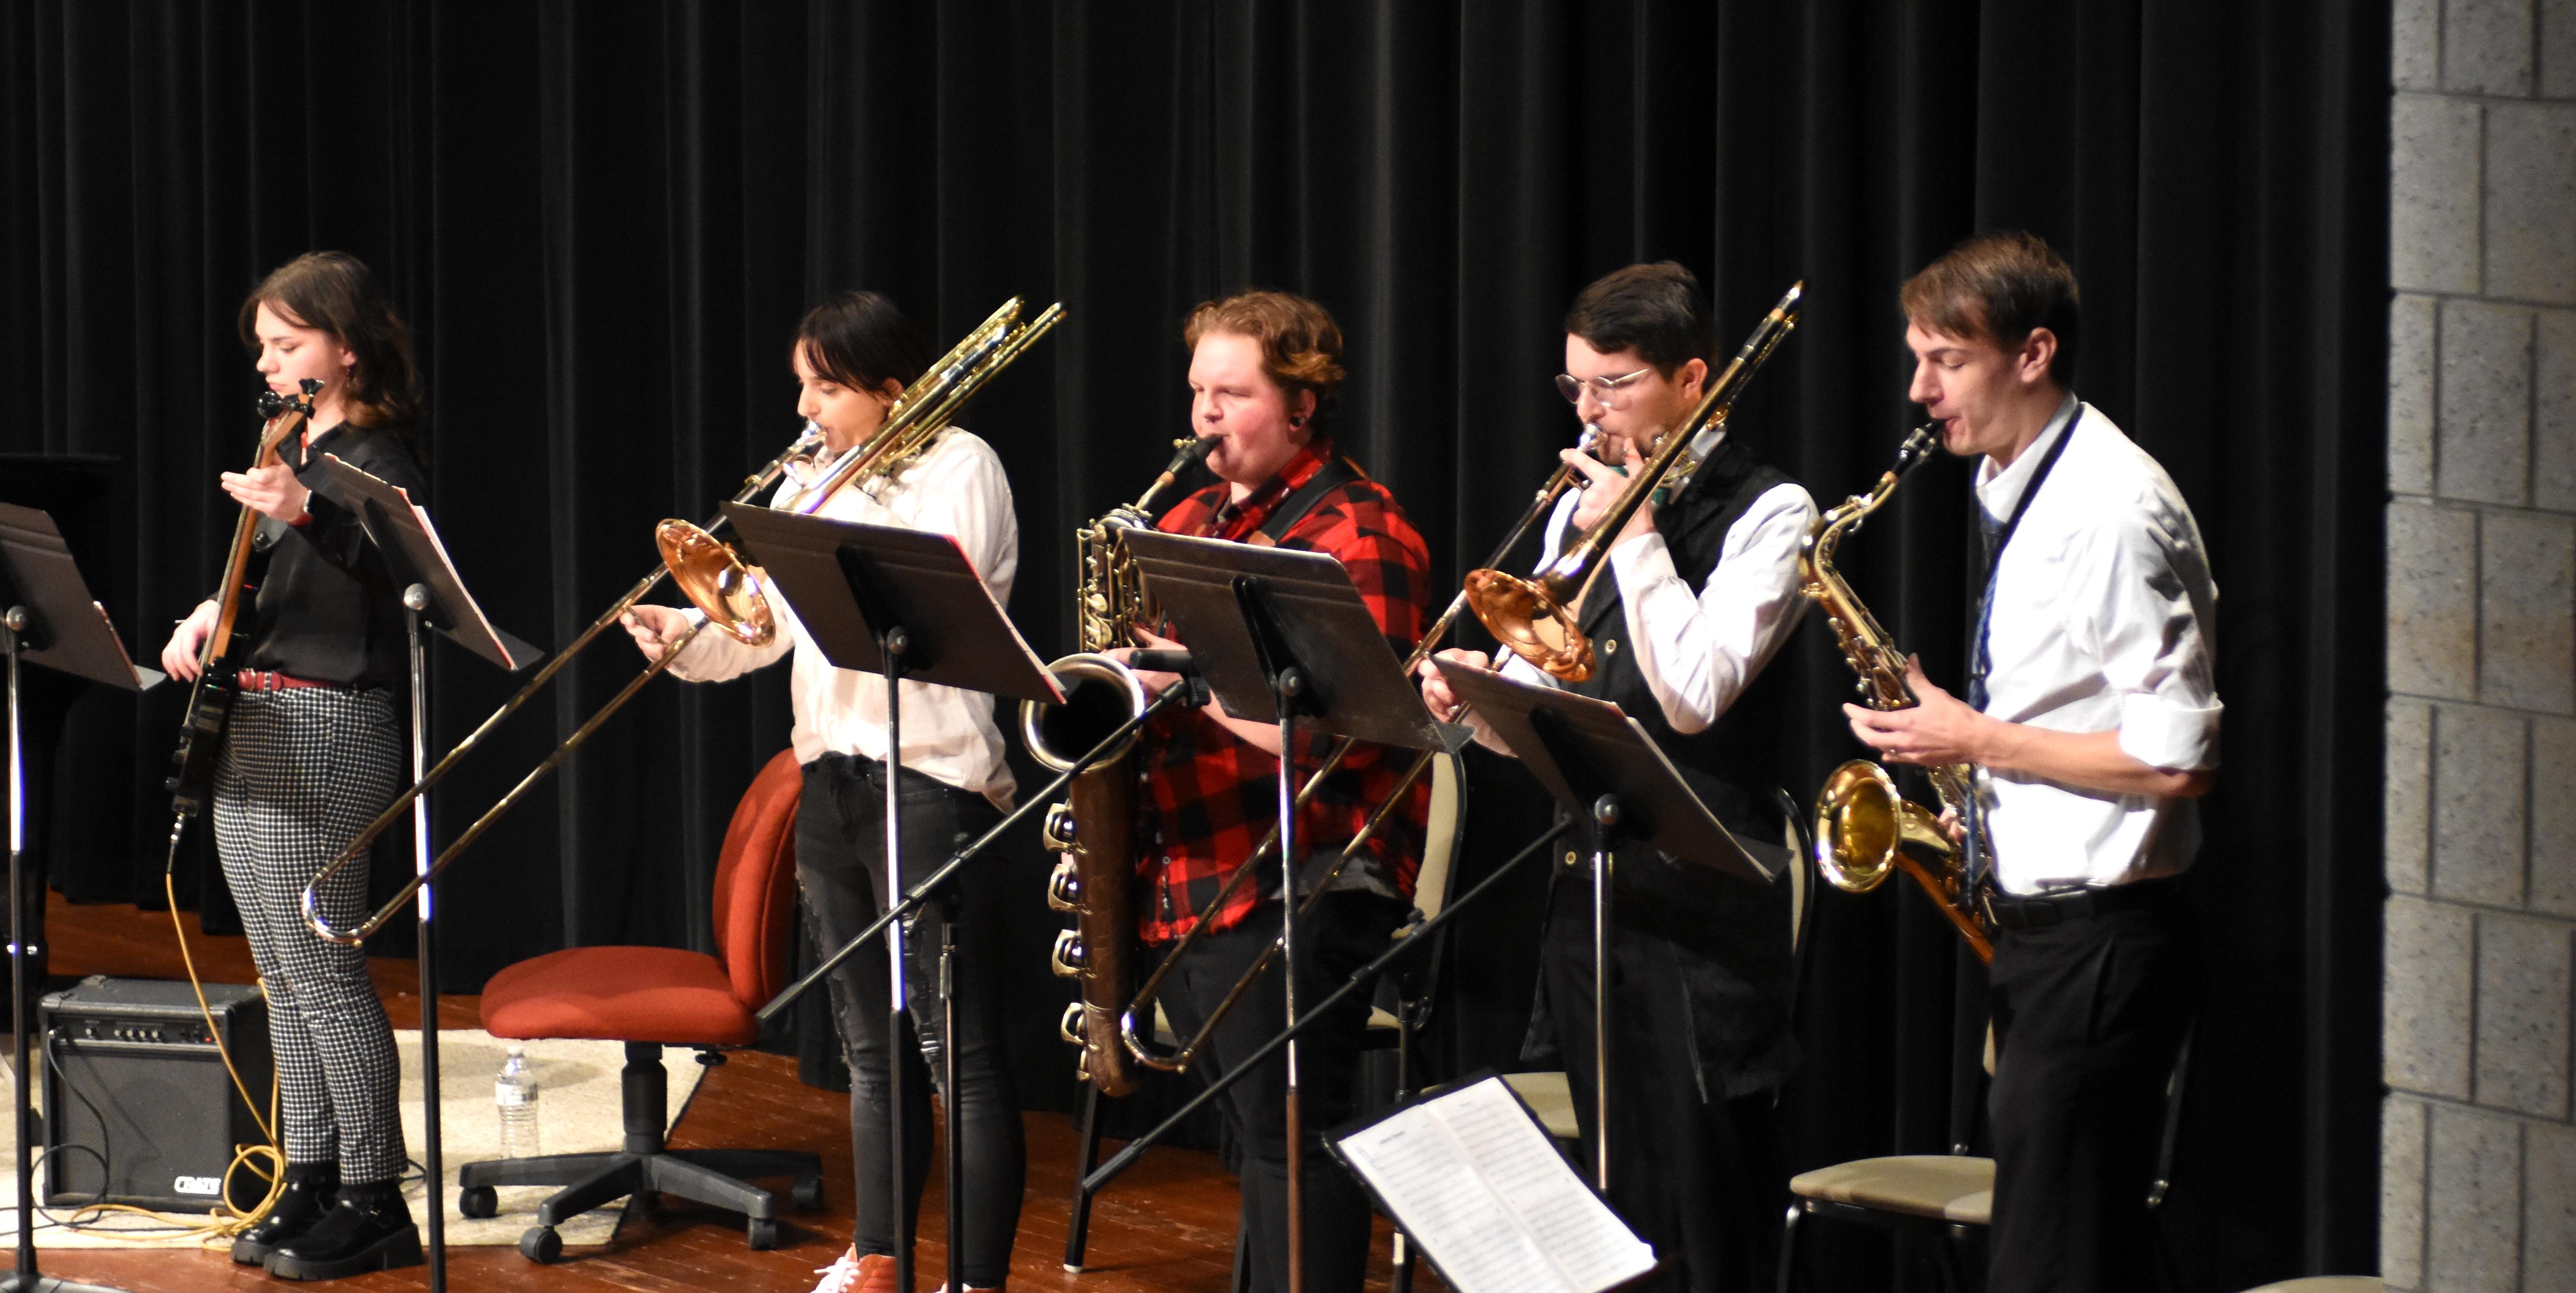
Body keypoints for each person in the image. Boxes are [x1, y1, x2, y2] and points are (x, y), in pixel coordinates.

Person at [1418, 261, 1815, 1293]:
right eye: (1574, 388)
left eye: (1614, 385)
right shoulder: (1572, 514)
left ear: (1692, 379)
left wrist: (1634, 533)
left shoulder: (1773, 512)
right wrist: (1478, 700)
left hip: (1706, 917)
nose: (1589, 414)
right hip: (1589, 896)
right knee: (1613, 1202)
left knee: (1703, 1202)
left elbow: (1690, 693)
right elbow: (1536, 727)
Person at [620, 291, 1025, 1293]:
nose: (805, 407)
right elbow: (763, 634)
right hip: (830, 776)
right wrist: (688, 635)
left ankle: (975, 1279)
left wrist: (827, 509)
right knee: (871, 1048)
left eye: (827, 385)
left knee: (958, 1055)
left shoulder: (958, 466)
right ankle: (880, 1252)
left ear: (893, 393)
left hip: (932, 783)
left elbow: (927, 607)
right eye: (802, 382)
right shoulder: (815, 479)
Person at [1842, 231, 2216, 1293]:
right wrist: (1984, 787)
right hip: (2048, 932)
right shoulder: (2018, 481)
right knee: (2067, 1251)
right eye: (1915, 358)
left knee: (2051, 1264)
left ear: (2032, 352)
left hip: (2101, 941)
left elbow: (2176, 756)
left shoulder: (2105, 508)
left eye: (1943, 360)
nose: (1918, 390)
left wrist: (1974, 739)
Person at [1110, 290, 1432, 1292]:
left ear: (1300, 403)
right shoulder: (1187, 518)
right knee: (1258, 1140)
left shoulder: (1360, 535)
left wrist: (1185, 685)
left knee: (1297, 1139)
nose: (1205, 414)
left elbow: (1346, 728)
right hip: (1193, 862)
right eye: (1199, 389)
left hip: (1307, 872)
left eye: (1233, 392)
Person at [158, 251, 429, 1281]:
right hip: (260, 715)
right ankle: (311, 1169)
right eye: (264, 348)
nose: (270, 363)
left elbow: (398, 573)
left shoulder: (374, 458)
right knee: (278, 973)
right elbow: (271, 587)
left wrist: (306, 506)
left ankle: (374, 1192)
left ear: (344, 349)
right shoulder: (287, 444)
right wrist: (206, 611)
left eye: (289, 343)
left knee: (324, 968)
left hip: (334, 723)